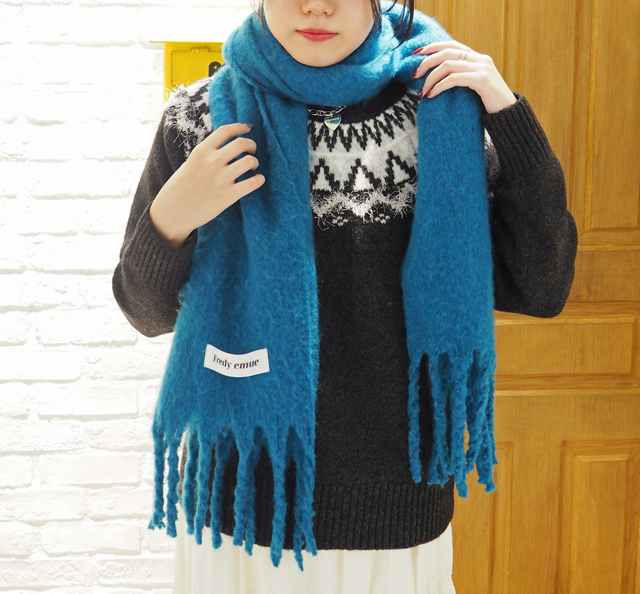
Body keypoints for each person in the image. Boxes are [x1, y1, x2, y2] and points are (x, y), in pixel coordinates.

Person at [112, 0, 578, 592]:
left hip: (395, 514)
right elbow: (145, 311)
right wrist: (171, 217)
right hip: (238, 510)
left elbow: (542, 286)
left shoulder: (438, 113)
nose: (317, 6)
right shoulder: (199, 118)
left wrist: (508, 116)